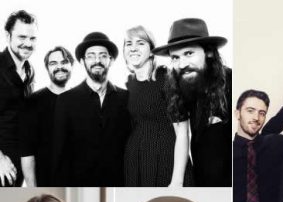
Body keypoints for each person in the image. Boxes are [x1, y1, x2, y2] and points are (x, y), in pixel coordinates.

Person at [154, 18, 231, 187]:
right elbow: (182, 134)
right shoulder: (180, 85)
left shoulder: (232, 81)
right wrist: (176, 182)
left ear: (209, 52)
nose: (182, 64)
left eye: (189, 53)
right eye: (175, 57)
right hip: (202, 182)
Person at [52, 31, 130, 186]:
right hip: (79, 188)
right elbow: (59, 156)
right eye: (91, 55)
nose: (97, 60)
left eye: (102, 55)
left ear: (111, 60)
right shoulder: (65, 101)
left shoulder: (126, 98)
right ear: (82, 61)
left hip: (118, 186)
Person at [123, 25, 193, 187]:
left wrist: (177, 180)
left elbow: (183, 133)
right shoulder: (129, 83)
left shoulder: (166, 78)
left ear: (151, 50)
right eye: (128, 44)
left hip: (165, 161)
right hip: (136, 163)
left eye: (140, 43)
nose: (133, 48)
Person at [19, 46, 73, 187]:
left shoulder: (83, 100)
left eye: (64, 62)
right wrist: (32, 188)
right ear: (47, 68)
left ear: (71, 65)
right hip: (46, 183)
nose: (59, 67)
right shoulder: (33, 102)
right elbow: (27, 153)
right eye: (53, 63)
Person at [0, 10, 37, 187]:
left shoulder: (30, 70)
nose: (27, 44)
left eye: (32, 39)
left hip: (20, 164)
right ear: (8, 36)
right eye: (22, 37)